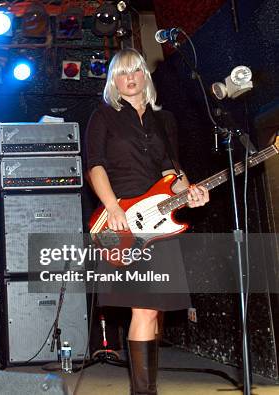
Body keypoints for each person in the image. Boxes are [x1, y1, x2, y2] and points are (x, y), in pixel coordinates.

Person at [85, 48, 209, 394]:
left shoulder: (164, 120)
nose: (129, 78)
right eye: (121, 73)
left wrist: (191, 191)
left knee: (155, 312)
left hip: (161, 222)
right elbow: (95, 165)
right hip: (122, 219)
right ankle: (144, 392)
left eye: (135, 71)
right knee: (143, 308)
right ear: (114, 80)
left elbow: (172, 170)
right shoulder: (104, 116)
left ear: (144, 76)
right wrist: (112, 208)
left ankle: (145, 385)